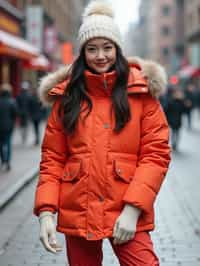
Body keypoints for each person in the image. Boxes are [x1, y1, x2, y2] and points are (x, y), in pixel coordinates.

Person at [34, 2, 171, 265]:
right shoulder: (67, 98)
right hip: (79, 209)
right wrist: (46, 212)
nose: (100, 56)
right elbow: (52, 158)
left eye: (107, 47)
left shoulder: (141, 94)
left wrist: (133, 209)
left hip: (127, 207)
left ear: (117, 50)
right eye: (92, 48)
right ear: (82, 52)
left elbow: (156, 154)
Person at [0, 83, 18, 171]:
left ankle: (3, 160)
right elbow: (15, 114)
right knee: (8, 143)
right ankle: (7, 161)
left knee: (1, 144)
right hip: (8, 127)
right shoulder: (12, 101)